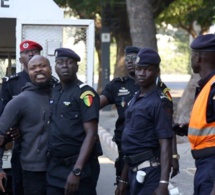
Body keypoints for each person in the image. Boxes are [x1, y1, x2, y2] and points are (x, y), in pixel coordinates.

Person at [100, 46, 179, 185]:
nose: (141, 73)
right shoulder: (123, 89)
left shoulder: (159, 95)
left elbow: (167, 130)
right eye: (128, 60)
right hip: (126, 156)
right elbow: (96, 105)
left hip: (149, 160)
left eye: (147, 69)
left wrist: (173, 156)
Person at [115, 48, 174, 195]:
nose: (141, 73)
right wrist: (123, 179)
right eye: (139, 69)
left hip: (150, 173)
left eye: (147, 70)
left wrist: (163, 184)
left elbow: (165, 143)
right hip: (132, 172)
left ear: (156, 72)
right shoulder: (136, 98)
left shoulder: (159, 103)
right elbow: (131, 144)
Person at [46, 48, 102, 195]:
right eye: (60, 62)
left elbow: (91, 134)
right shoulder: (54, 91)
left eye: (70, 62)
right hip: (54, 168)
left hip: (78, 167)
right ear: (55, 67)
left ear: (77, 67)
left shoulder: (85, 93)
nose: (65, 65)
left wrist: (77, 171)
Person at [0, 55, 53, 195]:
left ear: (50, 68)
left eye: (42, 66)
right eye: (33, 68)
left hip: (61, 170)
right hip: (33, 172)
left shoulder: (62, 94)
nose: (38, 70)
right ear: (28, 72)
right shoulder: (20, 101)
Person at [174, 34, 215, 195]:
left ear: (198, 58)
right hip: (204, 165)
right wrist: (189, 128)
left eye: (192, 54)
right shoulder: (207, 85)